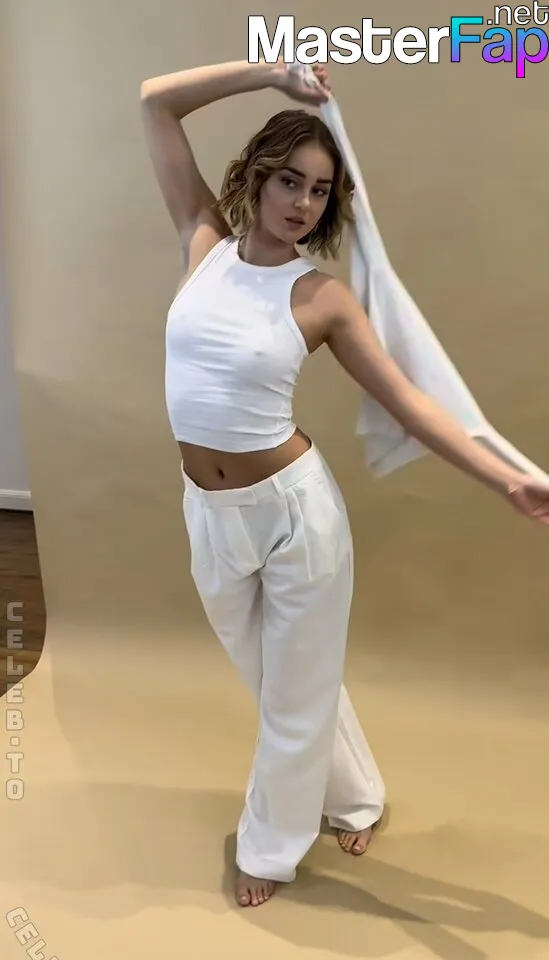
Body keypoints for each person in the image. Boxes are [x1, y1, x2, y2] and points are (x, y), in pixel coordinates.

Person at [140, 58, 549, 908]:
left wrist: (505, 479)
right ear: (257, 177)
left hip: (296, 516)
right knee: (281, 680)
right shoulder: (202, 242)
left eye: (320, 190)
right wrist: (272, 76)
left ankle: (268, 851)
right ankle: (357, 795)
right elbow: (156, 102)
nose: (301, 202)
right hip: (209, 511)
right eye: (289, 180)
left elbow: (411, 402)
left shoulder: (320, 297)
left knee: (292, 698)